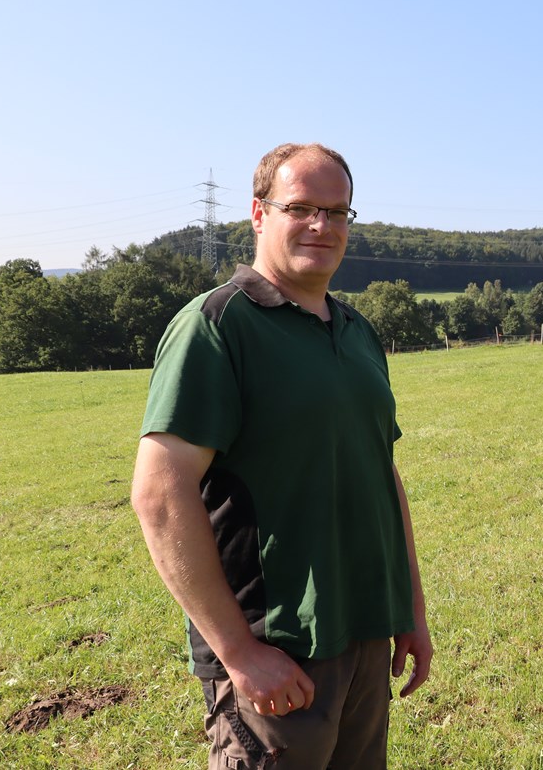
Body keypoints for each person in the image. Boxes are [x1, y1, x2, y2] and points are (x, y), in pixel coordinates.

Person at [131, 142, 432, 769]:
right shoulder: (217, 326)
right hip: (278, 650)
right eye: (302, 207)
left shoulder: (355, 331)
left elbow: (382, 472)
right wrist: (238, 654)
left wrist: (411, 609)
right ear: (259, 213)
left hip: (366, 634)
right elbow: (160, 494)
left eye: (339, 211)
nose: (323, 226)